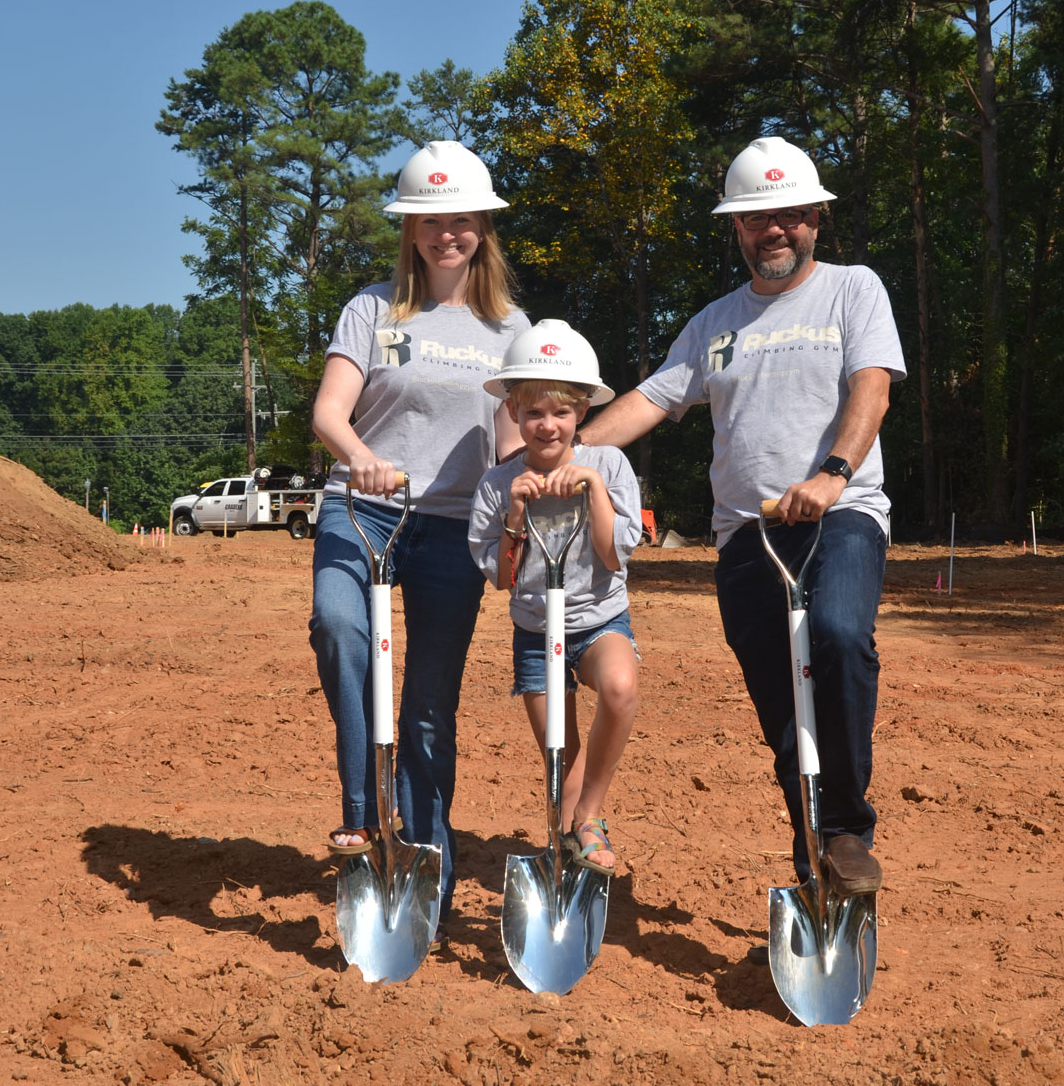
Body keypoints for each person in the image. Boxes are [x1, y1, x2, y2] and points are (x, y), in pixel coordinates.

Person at [576, 137, 903, 897]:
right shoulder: (713, 323)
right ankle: (813, 848)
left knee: (840, 639)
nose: (775, 229)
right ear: (737, 230)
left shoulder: (854, 291)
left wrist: (831, 474)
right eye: (758, 218)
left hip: (841, 514)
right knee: (783, 706)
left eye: (790, 213)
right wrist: (563, 453)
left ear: (816, 216)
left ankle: (847, 827)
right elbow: (651, 400)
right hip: (746, 535)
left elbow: (873, 390)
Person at [309, 140, 529, 931]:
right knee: (340, 630)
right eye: (431, 219)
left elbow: (511, 441)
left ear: (482, 227)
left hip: (448, 525)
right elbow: (330, 412)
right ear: (409, 227)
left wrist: (524, 489)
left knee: (431, 702)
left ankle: (426, 858)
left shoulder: (510, 328)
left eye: (462, 219)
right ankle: (364, 815)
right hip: (364, 508)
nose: (447, 233)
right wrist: (363, 461)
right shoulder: (372, 309)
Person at [468, 321, 642, 873]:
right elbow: (501, 577)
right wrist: (516, 514)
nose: (547, 426)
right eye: (534, 413)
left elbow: (615, 557)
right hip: (536, 628)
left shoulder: (610, 466)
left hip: (598, 619)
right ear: (514, 414)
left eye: (561, 412)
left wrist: (593, 490)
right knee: (560, 755)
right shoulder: (497, 485)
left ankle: (589, 816)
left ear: (582, 413)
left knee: (619, 687)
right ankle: (565, 846)